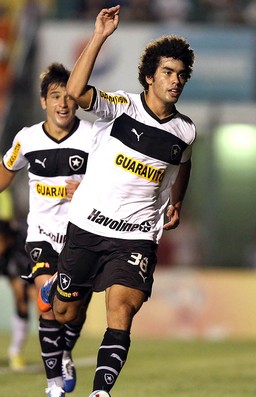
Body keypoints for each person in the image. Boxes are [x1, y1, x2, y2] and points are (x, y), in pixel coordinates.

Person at [39, 5, 196, 397]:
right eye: (167, 72)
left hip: (137, 235)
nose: (175, 81)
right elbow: (75, 92)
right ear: (148, 77)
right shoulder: (120, 107)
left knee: (121, 311)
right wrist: (99, 37)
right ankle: (60, 284)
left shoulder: (186, 131)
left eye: (180, 75)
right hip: (88, 226)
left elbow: (184, 165)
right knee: (65, 311)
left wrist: (176, 201)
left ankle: (100, 392)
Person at [0, 63, 94, 397]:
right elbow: (4, 174)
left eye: (69, 96)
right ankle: (53, 385)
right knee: (49, 305)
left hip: (82, 237)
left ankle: (65, 351)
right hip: (40, 236)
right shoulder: (26, 139)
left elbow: (110, 183)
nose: (63, 103)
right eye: (56, 96)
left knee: (74, 311)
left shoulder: (93, 138)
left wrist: (85, 191)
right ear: (44, 101)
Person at [0, 218, 35, 370]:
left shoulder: (24, 239)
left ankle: (58, 351)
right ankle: (15, 351)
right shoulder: (4, 256)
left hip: (38, 269)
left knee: (45, 307)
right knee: (21, 301)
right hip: (18, 272)